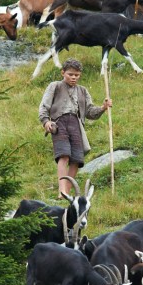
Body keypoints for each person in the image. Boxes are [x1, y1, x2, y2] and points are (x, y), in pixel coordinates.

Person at [39, 58, 112, 197]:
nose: (73, 77)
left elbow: (90, 112)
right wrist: (45, 121)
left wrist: (103, 107)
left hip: (76, 125)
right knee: (64, 155)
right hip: (59, 123)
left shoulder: (82, 91)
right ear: (63, 73)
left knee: (77, 159)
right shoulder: (55, 86)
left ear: (80, 75)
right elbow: (44, 106)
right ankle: (61, 190)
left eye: (76, 75)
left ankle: (66, 191)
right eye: (70, 74)